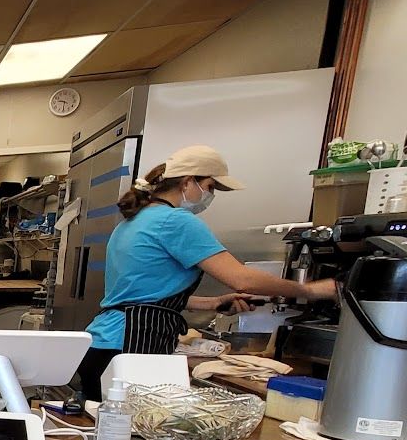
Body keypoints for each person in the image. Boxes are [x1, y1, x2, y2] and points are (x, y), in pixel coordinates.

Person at [74, 145, 337, 400]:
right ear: (187, 182)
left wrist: (213, 303)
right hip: (131, 346)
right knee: (129, 437)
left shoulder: (133, 221)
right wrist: (309, 290)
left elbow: (139, 295)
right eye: (210, 186)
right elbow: (242, 279)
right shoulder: (175, 221)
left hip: (102, 345)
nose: (211, 195)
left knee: (111, 435)